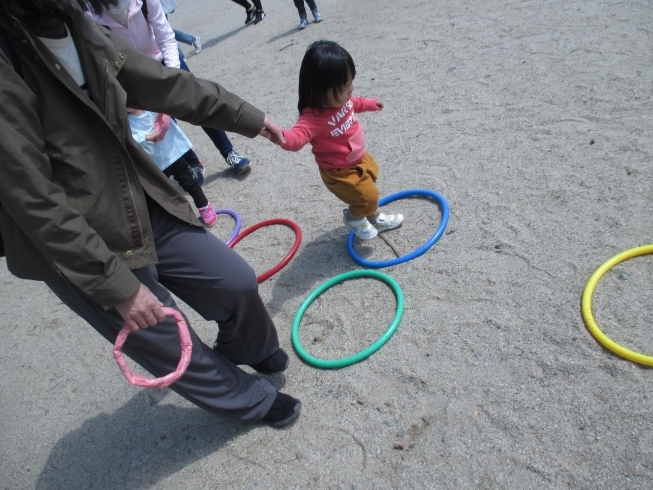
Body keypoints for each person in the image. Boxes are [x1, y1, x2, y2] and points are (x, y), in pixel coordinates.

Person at [0, 0, 300, 427]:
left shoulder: (72, 20)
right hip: (77, 236)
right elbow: (33, 197)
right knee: (162, 337)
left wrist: (246, 116)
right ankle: (246, 400)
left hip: (135, 194)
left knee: (234, 280)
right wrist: (115, 286)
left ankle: (249, 347)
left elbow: (162, 83)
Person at [92, 0, 253, 175]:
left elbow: (166, 38)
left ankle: (229, 152)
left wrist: (174, 79)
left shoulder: (145, 2)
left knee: (198, 105)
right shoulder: (92, 15)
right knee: (161, 124)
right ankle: (193, 164)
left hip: (163, 57)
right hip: (134, 74)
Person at [278, 41, 403, 240]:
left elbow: (355, 103)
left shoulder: (341, 100)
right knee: (366, 196)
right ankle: (354, 218)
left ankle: (373, 216)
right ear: (318, 91)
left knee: (371, 181)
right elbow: (298, 136)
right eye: (345, 87)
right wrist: (281, 136)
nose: (351, 90)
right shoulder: (314, 116)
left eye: (351, 82)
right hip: (340, 171)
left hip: (359, 157)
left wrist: (369, 103)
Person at [127, 108, 217, 227]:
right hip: (154, 164)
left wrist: (163, 119)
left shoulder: (150, 106)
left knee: (190, 183)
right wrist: (147, 137)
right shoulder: (126, 121)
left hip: (172, 154)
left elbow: (167, 107)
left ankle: (204, 206)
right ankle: (179, 218)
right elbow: (130, 138)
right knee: (162, 194)